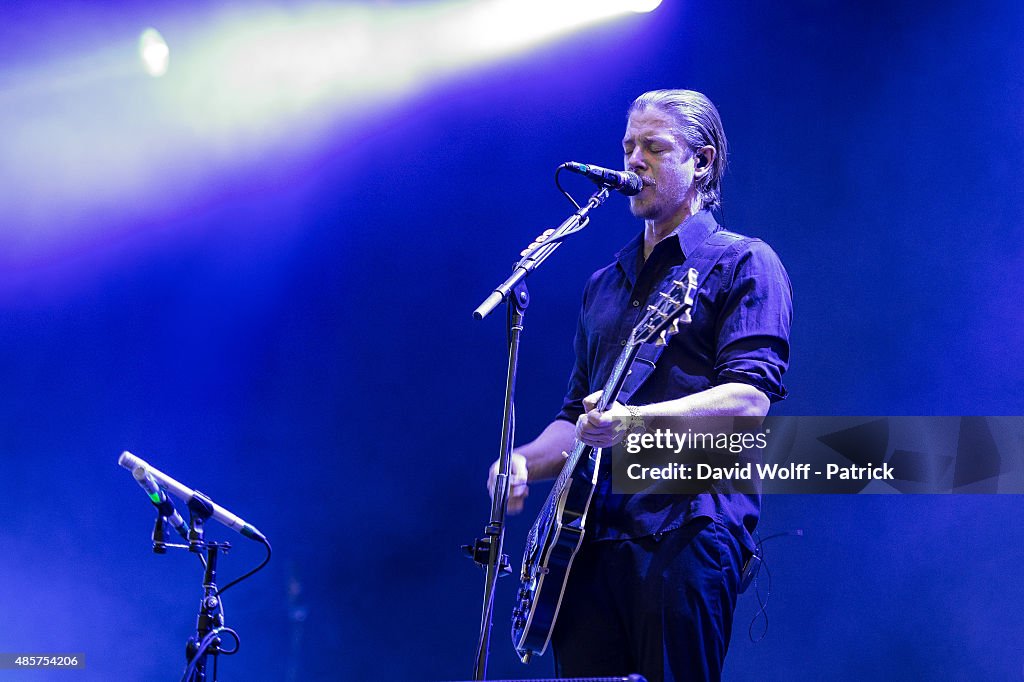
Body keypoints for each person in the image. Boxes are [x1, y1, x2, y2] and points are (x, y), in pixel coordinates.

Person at [487, 89, 792, 681]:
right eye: (628, 147)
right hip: (586, 542)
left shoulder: (744, 263)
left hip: (688, 525)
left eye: (654, 147)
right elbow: (576, 416)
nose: (634, 161)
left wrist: (630, 425)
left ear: (701, 162)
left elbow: (748, 401)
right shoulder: (604, 283)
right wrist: (522, 461)